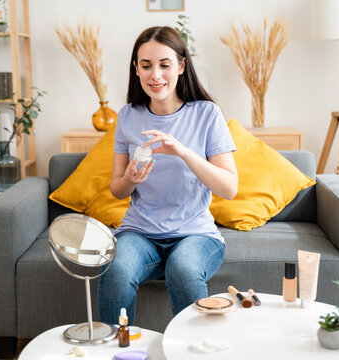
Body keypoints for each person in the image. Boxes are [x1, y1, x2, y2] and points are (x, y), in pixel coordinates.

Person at [97, 26, 238, 325]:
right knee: (116, 269)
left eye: (165, 65)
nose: (155, 75)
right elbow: (117, 190)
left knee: (183, 269)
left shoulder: (207, 113)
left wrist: (183, 152)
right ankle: (115, 352)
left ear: (182, 66)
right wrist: (131, 180)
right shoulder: (127, 116)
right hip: (139, 232)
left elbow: (229, 188)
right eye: (146, 66)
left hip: (195, 233)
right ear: (136, 69)